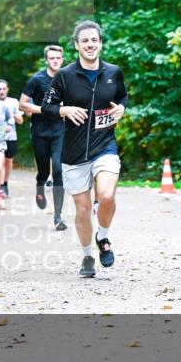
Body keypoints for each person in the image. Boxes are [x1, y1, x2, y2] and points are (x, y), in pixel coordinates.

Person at [41, 22, 127, 277]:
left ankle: (104, 237)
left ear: (100, 43)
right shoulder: (65, 76)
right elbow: (47, 106)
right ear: (77, 45)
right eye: (85, 41)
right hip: (73, 152)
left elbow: (122, 97)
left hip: (105, 146)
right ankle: (87, 256)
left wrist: (121, 108)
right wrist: (64, 109)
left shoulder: (114, 73)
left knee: (107, 196)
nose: (90, 45)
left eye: (94, 40)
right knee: (81, 209)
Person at [19, 45, 68, 230]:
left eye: (58, 58)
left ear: (62, 59)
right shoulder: (37, 79)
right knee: (44, 172)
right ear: (46, 60)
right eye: (52, 58)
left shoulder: (68, 79)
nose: (55, 61)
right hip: (39, 131)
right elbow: (22, 104)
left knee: (58, 169)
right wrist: (44, 109)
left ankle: (58, 217)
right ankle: (40, 186)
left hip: (59, 131)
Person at [0, 79, 24, 198]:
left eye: (3, 89)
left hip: (11, 137)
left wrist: (12, 115)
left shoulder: (13, 102)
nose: (1, 91)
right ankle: (0, 185)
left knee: (8, 161)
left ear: (7, 90)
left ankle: (5, 183)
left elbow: (21, 121)